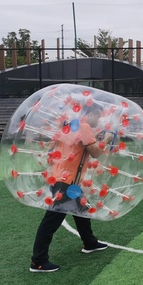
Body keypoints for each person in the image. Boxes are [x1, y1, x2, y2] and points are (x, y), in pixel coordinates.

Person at [30, 106, 108, 273]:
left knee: (82, 211)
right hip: (67, 182)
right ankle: (38, 261)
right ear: (90, 114)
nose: (99, 121)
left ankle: (90, 242)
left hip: (62, 179)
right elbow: (95, 152)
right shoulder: (85, 127)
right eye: (98, 117)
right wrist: (107, 139)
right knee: (52, 220)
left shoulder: (67, 125)